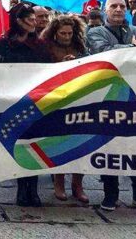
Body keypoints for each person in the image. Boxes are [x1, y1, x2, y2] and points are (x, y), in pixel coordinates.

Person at [86, 0, 136, 213]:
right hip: (108, 94)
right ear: (104, 10)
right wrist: (131, 48)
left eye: (122, 6)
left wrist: (133, 48)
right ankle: (111, 194)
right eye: (113, 6)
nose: (118, 9)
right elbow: (104, 53)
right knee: (111, 144)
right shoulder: (95, 32)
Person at [0, 2, 50, 207]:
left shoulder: (40, 44)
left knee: (33, 142)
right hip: (12, 99)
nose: (35, 22)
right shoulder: (3, 44)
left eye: (35, 19)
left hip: (34, 99)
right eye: (30, 19)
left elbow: (47, 67)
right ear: (18, 21)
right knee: (18, 144)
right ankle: (20, 188)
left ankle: (32, 189)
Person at [39, 15, 90, 203]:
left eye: (69, 33)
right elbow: (40, 70)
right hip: (56, 99)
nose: (67, 36)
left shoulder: (80, 46)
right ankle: (59, 183)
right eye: (63, 33)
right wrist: (59, 66)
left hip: (78, 97)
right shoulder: (46, 46)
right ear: (55, 33)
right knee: (58, 142)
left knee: (81, 142)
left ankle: (78, 184)